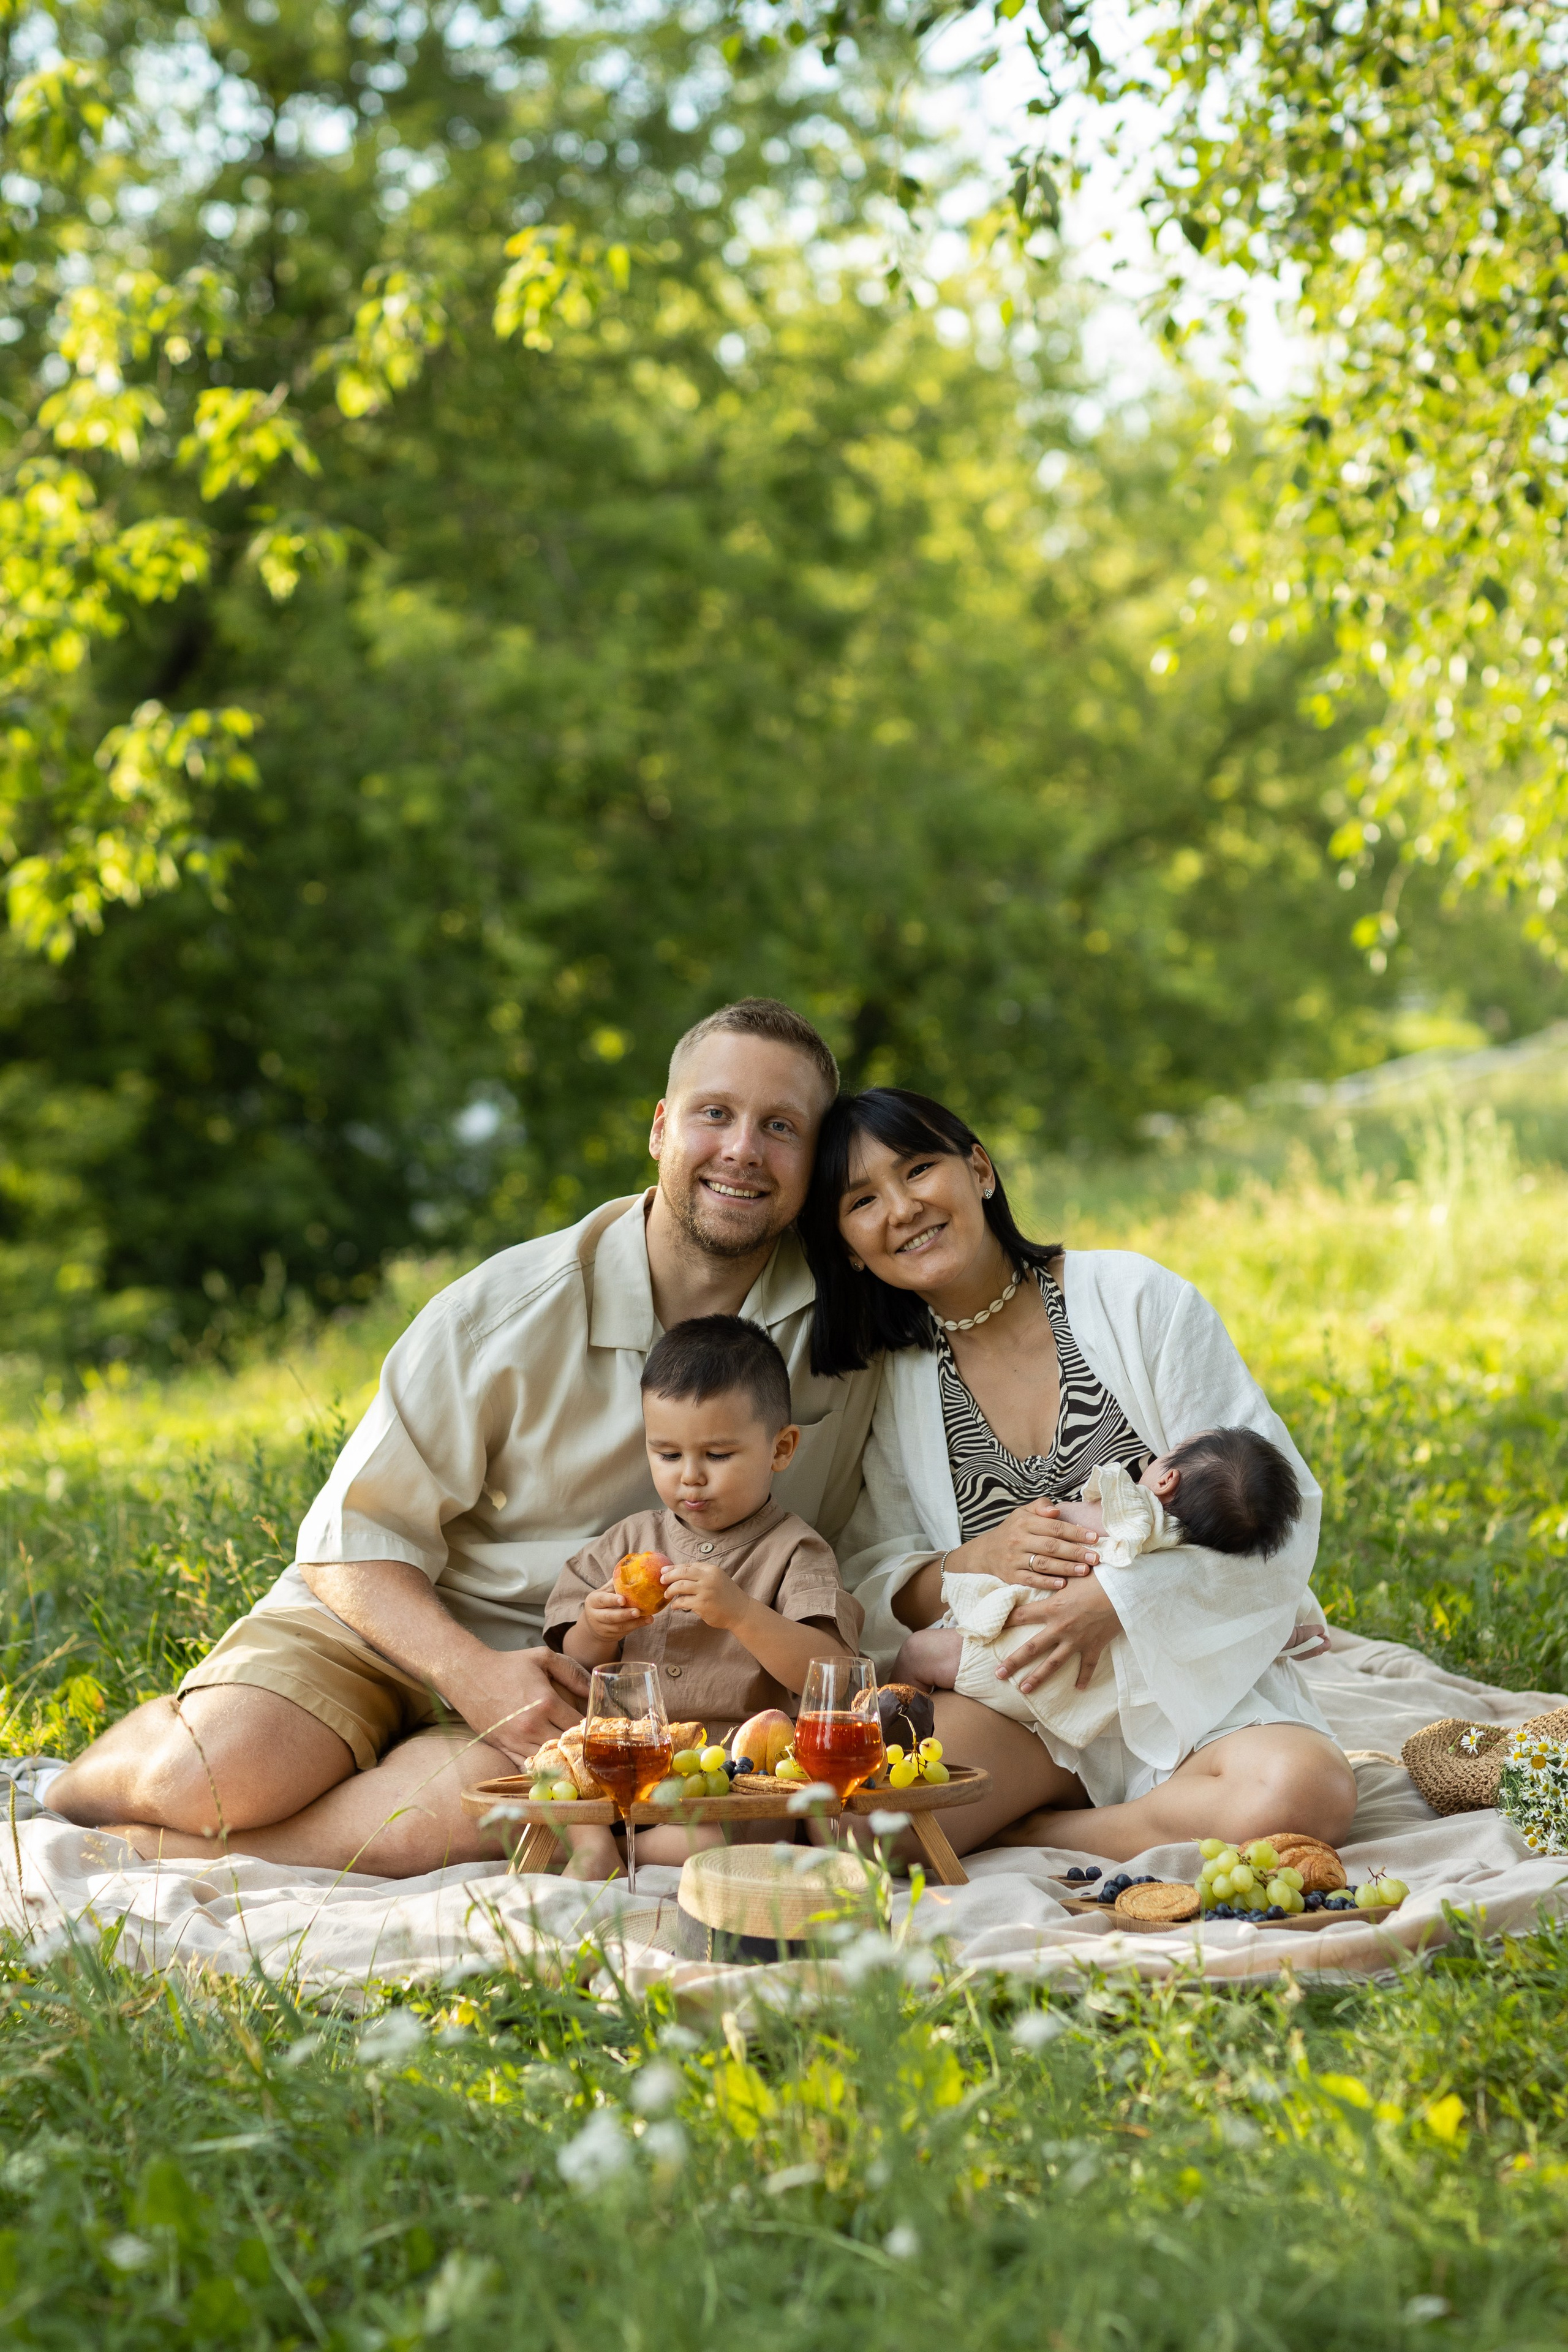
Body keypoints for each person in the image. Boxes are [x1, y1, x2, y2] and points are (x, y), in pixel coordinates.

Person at [50, 1001, 881, 1875]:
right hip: (395, 1621)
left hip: (565, 1681)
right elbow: (349, 1540)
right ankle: (83, 1791)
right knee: (211, 1777)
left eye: (780, 1127)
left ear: (814, 1163)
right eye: (715, 1113)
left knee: (430, 1828)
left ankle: (153, 1852)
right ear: (661, 1127)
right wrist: (471, 1674)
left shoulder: (848, 1332)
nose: (743, 1148)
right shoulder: (507, 1309)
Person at [800, 1085, 1357, 1863]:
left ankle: (1041, 1830)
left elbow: (1275, 1506)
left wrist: (1114, 1603)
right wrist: (974, 1559)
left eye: (919, 1169)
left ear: (980, 1170)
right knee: (864, 1823)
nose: (902, 1208)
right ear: (850, 1245)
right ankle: (1111, 1805)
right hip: (1022, 1703)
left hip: (1175, 1680)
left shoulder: (1133, 1299)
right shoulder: (891, 1381)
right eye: (862, 1200)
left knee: (1304, 1794)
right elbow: (872, 1577)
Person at [545, 1314, 863, 1878]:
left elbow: (826, 1673)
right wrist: (597, 1628)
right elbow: (572, 1664)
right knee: (554, 1760)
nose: (690, 1478)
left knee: (716, 1840)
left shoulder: (794, 1550)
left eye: (717, 1456)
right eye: (668, 1455)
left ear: (781, 1448)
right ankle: (596, 1846)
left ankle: (614, 1854)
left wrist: (742, 1615)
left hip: (730, 1781)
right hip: (626, 1765)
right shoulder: (629, 1541)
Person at [894, 1428, 1303, 1763]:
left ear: (1166, 1480)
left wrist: (1045, 1516)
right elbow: (1226, 1626)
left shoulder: (1132, 1511)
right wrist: (1279, 1636)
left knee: (917, 1653)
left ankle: (883, 1735)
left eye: (1167, 1453)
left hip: (1008, 1662)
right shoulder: (1196, 1573)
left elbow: (1061, 1523)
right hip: (1068, 1700)